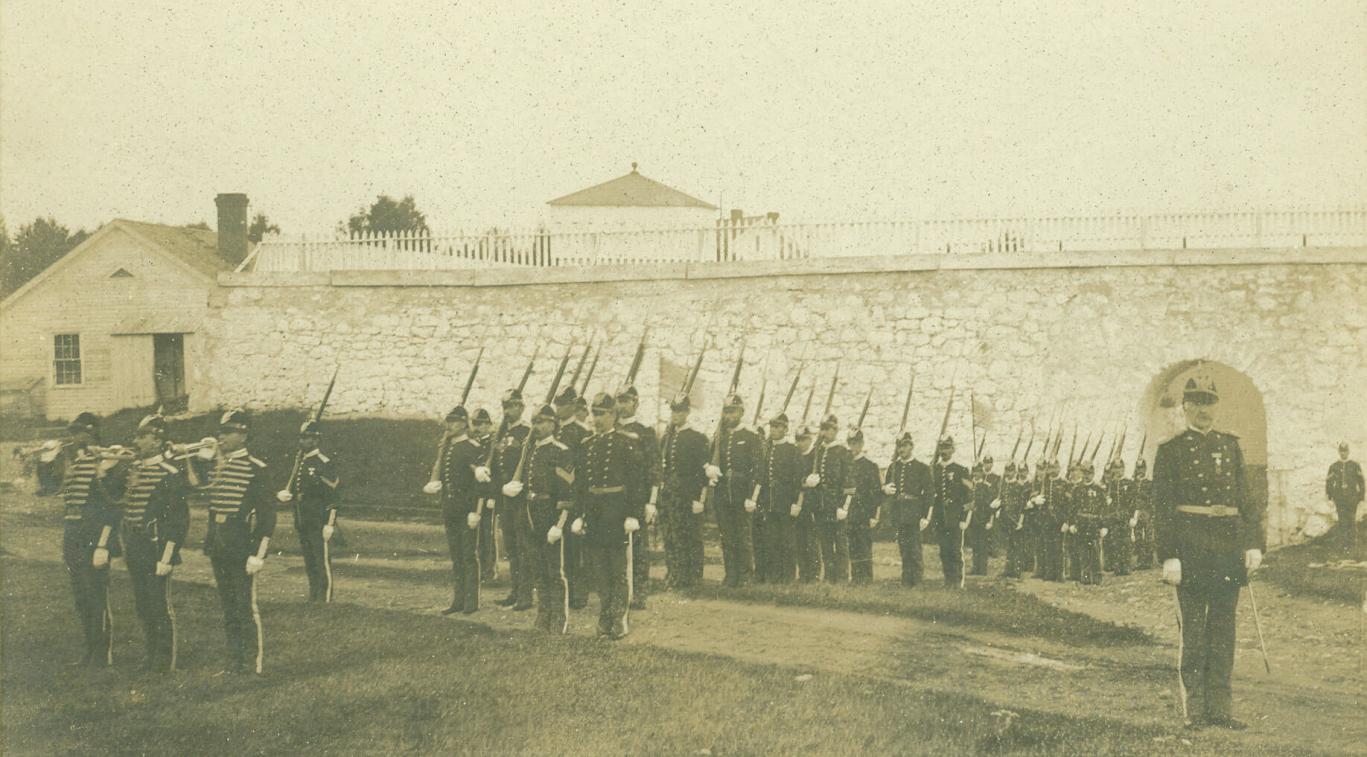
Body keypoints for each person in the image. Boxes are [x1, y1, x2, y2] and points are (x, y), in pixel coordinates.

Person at [1154, 375, 1264, 730]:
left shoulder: (1230, 447)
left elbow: (1247, 500)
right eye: (1196, 402)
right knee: (1195, 632)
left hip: (1227, 549)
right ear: (1185, 406)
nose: (1204, 409)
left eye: (1209, 402)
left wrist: (1253, 544)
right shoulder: (1170, 450)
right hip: (1191, 549)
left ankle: (1221, 709)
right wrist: (1169, 555)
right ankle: (1196, 710)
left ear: (1217, 406)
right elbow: (1162, 507)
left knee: (1223, 630)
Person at [204, 409, 275, 674]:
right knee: (228, 608)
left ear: (243, 435)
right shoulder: (217, 465)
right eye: (221, 431)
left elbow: (267, 516)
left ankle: (253, 664)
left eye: (228, 432)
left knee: (245, 607)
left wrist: (258, 553)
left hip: (242, 546)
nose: (221, 437)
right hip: (220, 545)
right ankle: (234, 662)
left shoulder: (256, 469)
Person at [121, 414, 189, 671]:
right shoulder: (134, 470)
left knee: (159, 604)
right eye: (137, 435)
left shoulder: (169, 473)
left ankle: (164, 659)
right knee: (143, 603)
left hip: (156, 545)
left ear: (158, 439)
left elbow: (178, 521)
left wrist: (167, 556)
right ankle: (150, 655)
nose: (137, 441)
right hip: (136, 545)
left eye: (143, 436)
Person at [574, 393, 644, 639]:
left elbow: (636, 482)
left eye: (602, 413)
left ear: (613, 415)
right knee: (599, 569)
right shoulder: (587, 444)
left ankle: (619, 617)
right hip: (594, 511)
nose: (597, 418)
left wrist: (633, 514)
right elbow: (581, 484)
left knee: (617, 568)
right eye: (594, 413)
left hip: (617, 510)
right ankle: (605, 615)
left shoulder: (627, 442)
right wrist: (580, 515)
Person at [60, 412, 121, 667]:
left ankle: (101, 653)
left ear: (92, 433)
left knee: (96, 595)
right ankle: (91, 649)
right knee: (82, 596)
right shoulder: (75, 461)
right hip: (74, 534)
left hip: (94, 537)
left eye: (80, 432)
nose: (74, 437)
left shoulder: (106, 462)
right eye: (73, 433)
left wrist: (103, 544)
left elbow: (112, 507)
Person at [425, 405, 489, 615]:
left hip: (466, 508)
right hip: (450, 507)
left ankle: (471, 602)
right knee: (456, 556)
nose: (449, 425)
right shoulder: (448, 447)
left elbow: (480, 484)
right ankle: (458, 600)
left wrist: (476, 511)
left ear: (463, 423)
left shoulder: (472, 447)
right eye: (448, 421)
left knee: (469, 555)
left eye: (453, 421)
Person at [523, 404, 575, 633]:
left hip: (551, 514)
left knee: (555, 571)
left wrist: (559, 524)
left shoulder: (561, 451)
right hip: (531, 512)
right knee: (538, 569)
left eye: (542, 421)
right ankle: (543, 616)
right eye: (535, 422)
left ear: (553, 424)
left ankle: (559, 620)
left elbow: (567, 492)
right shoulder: (530, 450)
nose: (538, 426)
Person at [278, 420, 340, 602]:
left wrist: (330, 523)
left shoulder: (323, 463)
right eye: (301, 437)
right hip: (302, 517)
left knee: (321, 561)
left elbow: (333, 496)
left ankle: (325, 598)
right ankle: (314, 596)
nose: (301, 441)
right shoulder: (301, 461)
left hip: (318, 518)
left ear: (316, 440)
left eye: (306, 438)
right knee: (310, 560)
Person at [709, 394, 761, 587]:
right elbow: (712, 461)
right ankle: (731, 575)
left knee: (743, 535)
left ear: (741, 412)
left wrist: (751, 497)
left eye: (733, 411)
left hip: (742, 491)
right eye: (727, 411)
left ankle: (746, 575)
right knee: (727, 535)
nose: (729, 415)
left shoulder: (750, 436)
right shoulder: (720, 437)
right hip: (723, 491)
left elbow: (757, 470)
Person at [658, 395, 708, 589]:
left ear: (687, 412)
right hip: (670, 494)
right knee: (670, 535)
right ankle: (674, 572)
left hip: (688, 495)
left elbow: (703, 472)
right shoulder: (667, 437)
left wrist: (700, 499)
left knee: (690, 536)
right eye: (673, 411)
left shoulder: (697, 438)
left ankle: (693, 576)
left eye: (680, 411)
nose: (676, 415)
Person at [616, 385, 660, 609]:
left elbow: (654, 469)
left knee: (639, 549)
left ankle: (639, 593)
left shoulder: (645, 432)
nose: (622, 405)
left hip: (638, 499)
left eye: (627, 400)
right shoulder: (610, 429)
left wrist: (652, 501)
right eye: (620, 400)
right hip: (614, 500)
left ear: (636, 403)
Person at [493, 390, 533, 610]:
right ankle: (515, 591)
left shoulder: (527, 432)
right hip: (504, 498)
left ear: (521, 408)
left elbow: (530, 463)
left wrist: (520, 486)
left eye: (513, 406)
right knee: (510, 547)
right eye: (506, 407)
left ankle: (525, 595)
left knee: (523, 546)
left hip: (519, 498)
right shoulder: (500, 433)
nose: (508, 411)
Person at [805, 415, 851, 583]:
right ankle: (830, 576)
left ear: (835, 430)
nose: (825, 432)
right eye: (823, 428)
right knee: (825, 543)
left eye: (829, 429)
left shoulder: (843, 452)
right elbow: (806, 471)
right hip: (820, 505)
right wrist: (808, 480)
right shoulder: (817, 451)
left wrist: (843, 506)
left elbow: (849, 482)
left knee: (840, 544)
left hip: (836, 505)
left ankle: (842, 578)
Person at [756, 413, 801, 583]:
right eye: (772, 427)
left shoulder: (792, 450)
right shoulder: (767, 449)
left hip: (786, 502)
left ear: (786, 428)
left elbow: (797, 480)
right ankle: (773, 576)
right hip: (769, 502)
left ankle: (787, 578)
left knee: (787, 542)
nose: (774, 430)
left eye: (778, 427)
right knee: (771, 540)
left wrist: (796, 502)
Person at [927, 436, 973, 588]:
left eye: (947, 448)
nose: (944, 451)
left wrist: (964, 518)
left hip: (956, 517)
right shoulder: (934, 470)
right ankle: (948, 581)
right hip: (940, 517)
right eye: (942, 448)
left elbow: (969, 497)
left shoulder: (961, 470)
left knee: (955, 550)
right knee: (944, 551)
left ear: (953, 449)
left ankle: (958, 582)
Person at [885, 433, 930, 587]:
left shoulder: (921, 468)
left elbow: (929, 494)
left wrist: (925, 516)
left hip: (914, 512)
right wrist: (886, 489)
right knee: (904, 548)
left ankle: (917, 581)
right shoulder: (893, 467)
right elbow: (887, 487)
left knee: (915, 549)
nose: (901, 449)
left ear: (911, 446)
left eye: (904, 445)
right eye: (899, 446)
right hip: (899, 511)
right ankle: (906, 580)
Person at [844, 429, 883, 584]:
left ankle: (866, 579)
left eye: (856, 443)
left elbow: (876, 493)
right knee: (852, 546)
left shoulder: (870, 466)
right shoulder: (845, 464)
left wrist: (874, 515)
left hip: (864, 512)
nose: (853, 447)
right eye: (850, 443)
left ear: (862, 444)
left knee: (864, 546)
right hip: (849, 512)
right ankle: (855, 578)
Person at [472, 408, 498, 582]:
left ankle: (489, 570)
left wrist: (493, 496)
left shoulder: (493, 444)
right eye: (475, 423)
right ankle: (479, 569)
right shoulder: (474, 443)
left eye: (481, 423)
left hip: (488, 495)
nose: (478, 427)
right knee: (475, 533)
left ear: (488, 425)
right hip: (474, 494)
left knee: (488, 534)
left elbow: (498, 470)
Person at [1072, 461, 1106, 586]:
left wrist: (1103, 526)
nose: (1087, 476)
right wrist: (1073, 524)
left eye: (1089, 473)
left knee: (1096, 551)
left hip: (1094, 524)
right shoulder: (1077, 489)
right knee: (1083, 552)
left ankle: (1097, 577)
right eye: (1085, 473)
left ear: (1093, 473)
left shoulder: (1099, 489)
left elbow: (1103, 509)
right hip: (1082, 524)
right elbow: (1073, 509)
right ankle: (1085, 577)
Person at [1325, 442, 1364, 552]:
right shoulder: (1334, 466)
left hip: (1352, 498)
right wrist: (1330, 497)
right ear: (1339, 452)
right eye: (1341, 451)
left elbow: (1361, 482)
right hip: (1340, 499)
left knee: (1351, 520)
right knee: (1342, 521)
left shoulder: (1355, 465)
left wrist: (1361, 497)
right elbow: (1329, 482)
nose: (1343, 454)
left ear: (1348, 452)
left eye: (1345, 451)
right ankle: (1343, 544)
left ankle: (1352, 544)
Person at [1131, 459, 1156, 569]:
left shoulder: (1149, 483)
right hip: (1136, 512)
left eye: (1142, 468)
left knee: (1148, 537)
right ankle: (1140, 561)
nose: (1140, 471)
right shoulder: (1133, 484)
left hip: (1147, 512)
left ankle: (1148, 561)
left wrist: (1150, 512)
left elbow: (1152, 499)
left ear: (1145, 469)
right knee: (1138, 536)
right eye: (1138, 468)